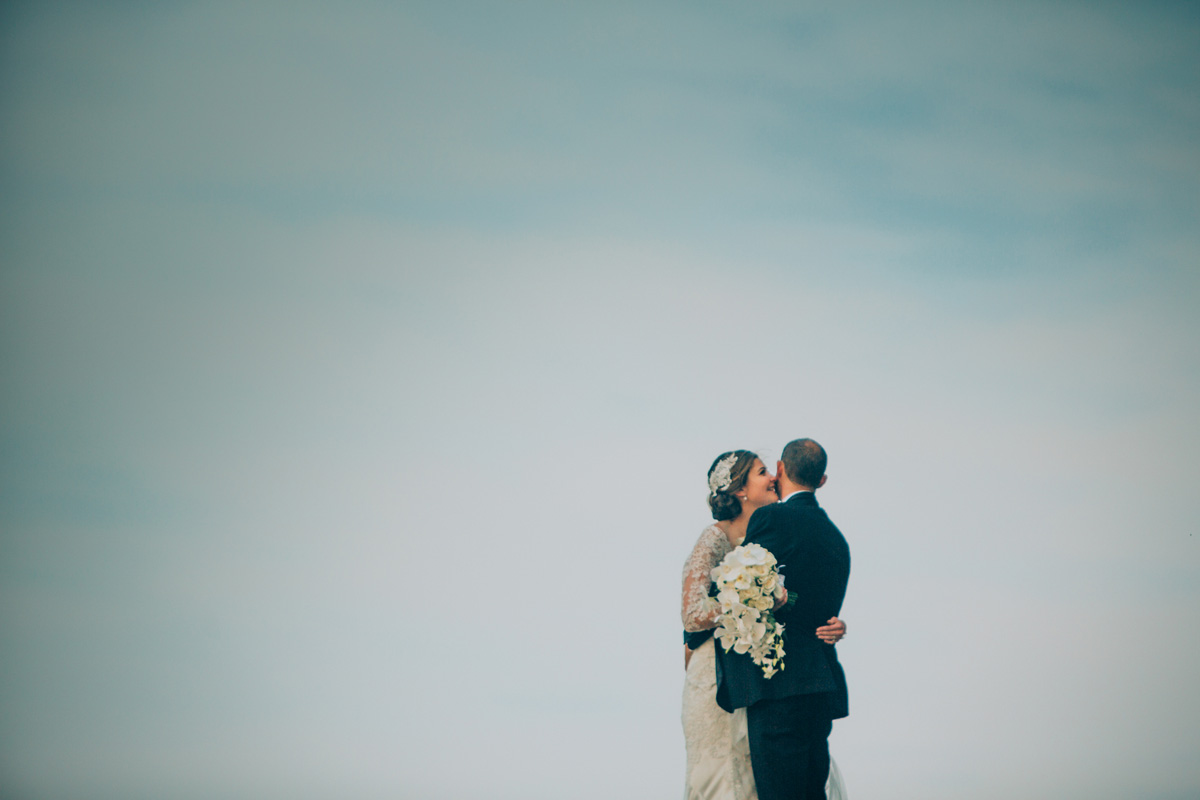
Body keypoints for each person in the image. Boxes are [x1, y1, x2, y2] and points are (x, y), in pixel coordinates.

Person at [682, 449, 848, 800]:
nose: (773, 477)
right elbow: (692, 613)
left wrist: (830, 622)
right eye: (761, 472)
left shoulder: (778, 532)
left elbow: (804, 592)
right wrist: (750, 600)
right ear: (740, 489)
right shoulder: (714, 538)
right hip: (722, 675)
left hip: (767, 682)